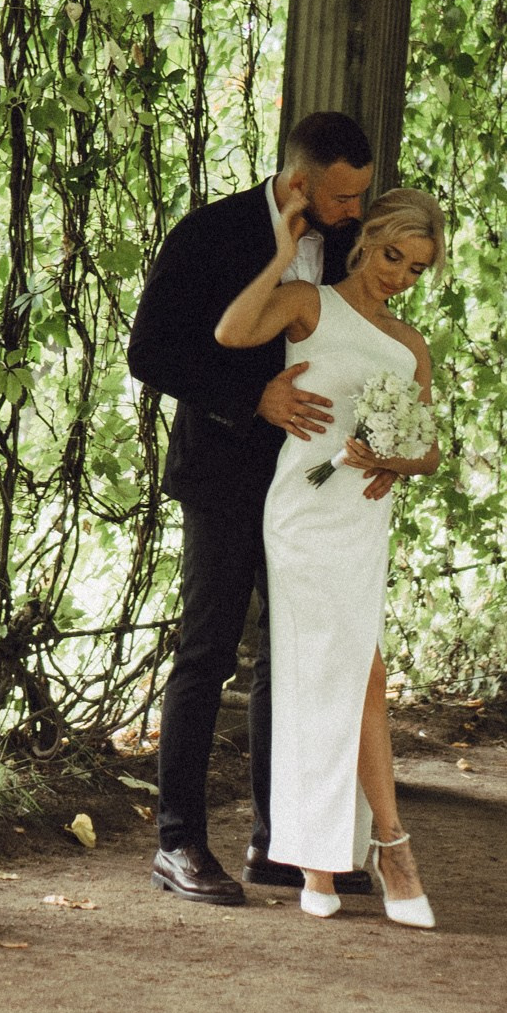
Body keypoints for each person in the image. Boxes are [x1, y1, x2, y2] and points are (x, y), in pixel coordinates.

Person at [125, 112, 383, 905]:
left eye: (361, 196)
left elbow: (365, 341)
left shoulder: (348, 242)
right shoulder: (209, 232)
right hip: (224, 473)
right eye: (343, 197)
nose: (355, 212)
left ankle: (282, 841)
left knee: (295, 656)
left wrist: (382, 440)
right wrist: (252, 397)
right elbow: (150, 350)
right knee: (206, 651)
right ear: (299, 182)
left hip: (313, 482)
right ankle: (178, 842)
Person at [213, 186, 445, 928]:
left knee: (353, 674)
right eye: (392, 255)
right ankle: (388, 850)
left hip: (361, 516)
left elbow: (429, 450)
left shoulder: (409, 344)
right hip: (303, 513)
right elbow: (231, 331)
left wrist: (391, 460)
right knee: (340, 673)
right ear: (367, 238)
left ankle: (330, 856)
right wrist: (281, 255)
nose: (398, 276)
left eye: (416, 268)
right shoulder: (307, 303)